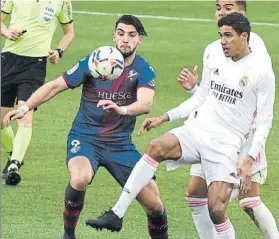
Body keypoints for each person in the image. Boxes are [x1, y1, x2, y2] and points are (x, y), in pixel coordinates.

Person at [85, 13, 276, 239]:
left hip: (226, 143)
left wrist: (249, 159)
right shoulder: (213, 52)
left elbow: (264, 122)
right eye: (220, 35)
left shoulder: (261, 73)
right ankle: (116, 213)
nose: (222, 41)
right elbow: (201, 96)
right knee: (156, 147)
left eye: (228, 36)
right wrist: (164, 117)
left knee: (216, 209)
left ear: (244, 37)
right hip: (198, 130)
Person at [4, 15, 169, 239]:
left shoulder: (143, 69)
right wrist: (26, 108)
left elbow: (145, 103)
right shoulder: (94, 61)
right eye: (120, 34)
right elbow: (54, 86)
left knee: (155, 205)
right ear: (114, 36)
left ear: (139, 39)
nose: (125, 40)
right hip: (85, 137)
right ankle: (68, 235)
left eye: (131, 35)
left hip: (120, 144)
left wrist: (121, 109)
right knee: (80, 178)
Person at [166, 1, 279, 238]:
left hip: (240, 139)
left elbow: (255, 104)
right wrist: (193, 89)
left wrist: (249, 155)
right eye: (218, 7)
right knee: (196, 196)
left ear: (243, 13)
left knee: (247, 201)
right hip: (211, 131)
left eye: (228, 8)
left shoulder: (254, 50)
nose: (221, 12)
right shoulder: (216, 48)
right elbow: (218, 96)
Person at [1, 0, 75, 186]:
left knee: (24, 115)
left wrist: (59, 51)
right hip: (8, 61)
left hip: (35, 65)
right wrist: (7, 32)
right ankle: (13, 154)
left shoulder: (63, 2)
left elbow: (69, 33)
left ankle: (14, 165)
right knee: (1, 120)